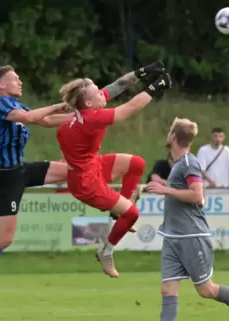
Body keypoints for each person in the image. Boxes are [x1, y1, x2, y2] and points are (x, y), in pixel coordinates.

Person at [0, 63, 159, 311]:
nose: (19, 81)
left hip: (23, 169)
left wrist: (80, 116)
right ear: (1, 85)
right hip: (8, 178)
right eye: (14, 79)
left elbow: (48, 121)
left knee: (80, 170)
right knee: (5, 239)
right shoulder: (0, 104)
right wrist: (61, 106)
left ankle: (118, 208)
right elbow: (31, 118)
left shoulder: (15, 105)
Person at [146, 118, 229, 321]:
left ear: (174, 137)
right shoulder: (178, 165)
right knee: (167, 290)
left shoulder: (189, 163)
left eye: (170, 132)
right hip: (172, 236)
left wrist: (164, 189)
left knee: (206, 289)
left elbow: (197, 196)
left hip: (192, 235)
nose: (168, 135)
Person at [57, 63, 171, 278]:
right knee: (133, 214)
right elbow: (130, 108)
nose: (103, 93)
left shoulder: (87, 110)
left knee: (136, 163)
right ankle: (106, 251)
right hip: (86, 183)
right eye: (98, 92)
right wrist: (157, 87)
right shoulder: (92, 118)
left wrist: (143, 72)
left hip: (92, 165)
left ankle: (119, 212)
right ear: (89, 102)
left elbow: (119, 84)